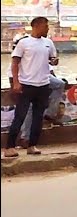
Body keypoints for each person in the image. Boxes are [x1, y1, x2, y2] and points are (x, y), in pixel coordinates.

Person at [4, 16, 58, 157]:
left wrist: (54, 61)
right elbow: (15, 63)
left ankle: (32, 145)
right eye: (45, 26)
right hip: (26, 85)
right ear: (37, 26)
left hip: (43, 84)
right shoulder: (24, 43)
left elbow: (53, 60)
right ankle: (9, 146)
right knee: (20, 115)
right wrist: (16, 82)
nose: (47, 29)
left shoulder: (48, 43)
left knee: (38, 117)